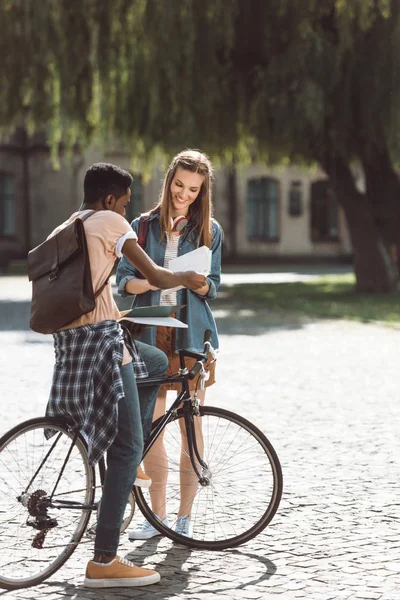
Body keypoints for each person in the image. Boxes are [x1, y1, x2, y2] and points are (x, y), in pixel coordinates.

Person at [45, 162, 206, 588]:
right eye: (126, 200)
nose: (127, 207)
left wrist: (123, 312)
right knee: (128, 448)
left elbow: (91, 291)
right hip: (103, 346)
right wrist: (188, 278)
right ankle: (104, 559)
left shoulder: (71, 223)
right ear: (113, 198)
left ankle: (127, 451)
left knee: (152, 361)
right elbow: (153, 274)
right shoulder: (112, 220)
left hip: (74, 343)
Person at [116, 149, 222, 539]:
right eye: (179, 185)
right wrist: (161, 279)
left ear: (202, 190)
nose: (184, 194)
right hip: (149, 334)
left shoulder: (210, 229)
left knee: (190, 428)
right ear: (169, 181)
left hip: (190, 337)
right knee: (151, 430)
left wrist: (199, 282)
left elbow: (214, 286)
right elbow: (123, 282)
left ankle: (184, 518)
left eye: (193, 189)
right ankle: (155, 517)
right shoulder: (142, 226)